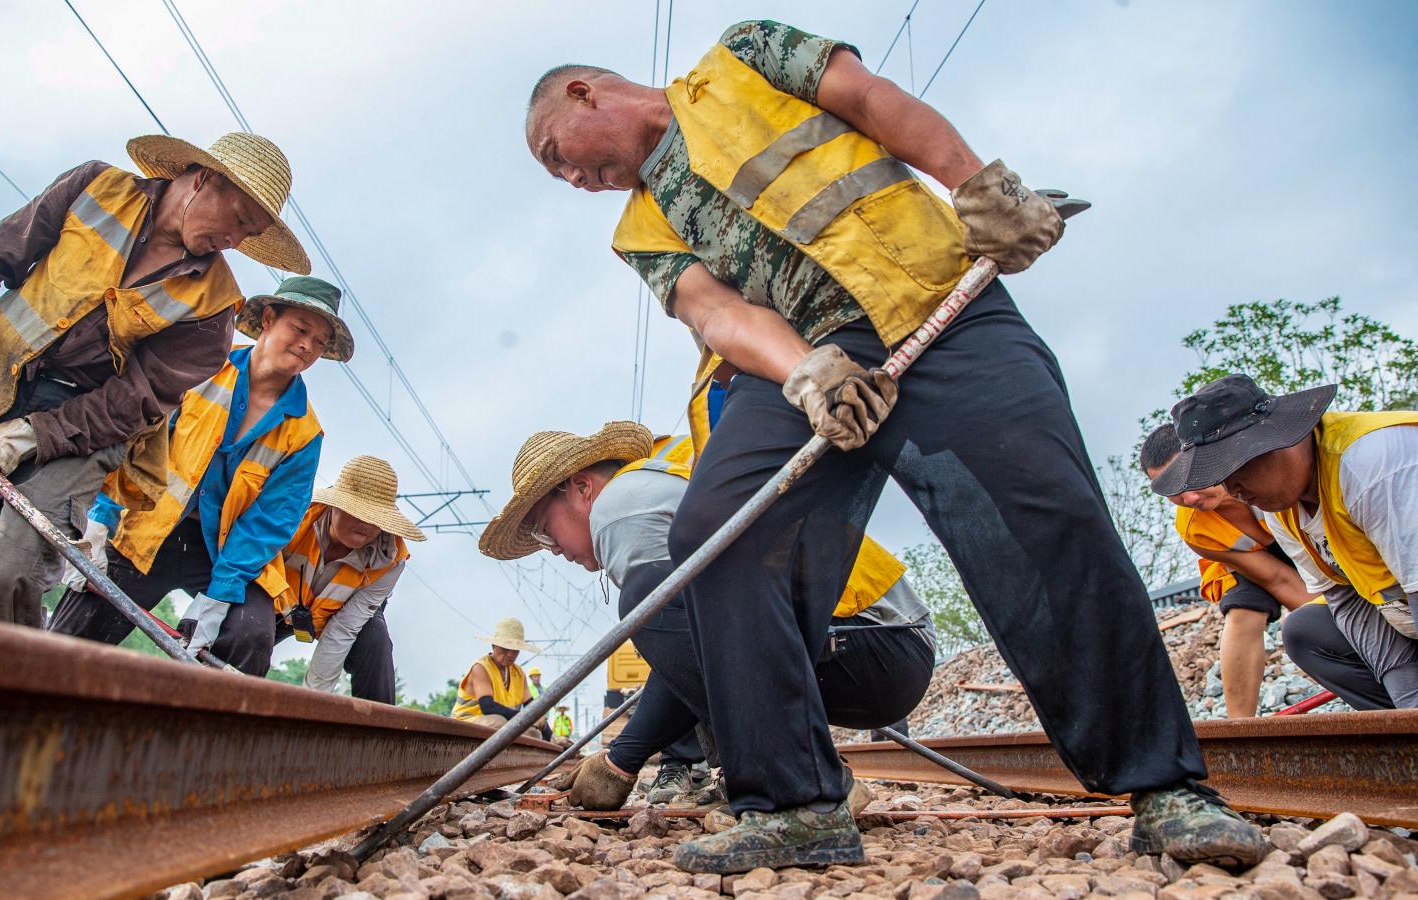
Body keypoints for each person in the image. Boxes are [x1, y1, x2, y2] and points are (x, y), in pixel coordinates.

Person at [523, 20, 1262, 873]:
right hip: (807, 362)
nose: (573, 179)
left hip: (938, 301)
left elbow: (874, 103)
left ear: (585, 92)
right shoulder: (638, 229)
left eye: (558, 155)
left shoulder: (744, 56)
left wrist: (977, 188)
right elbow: (714, 311)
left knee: (1045, 518)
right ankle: (796, 804)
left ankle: (1164, 787)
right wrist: (805, 373)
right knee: (715, 541)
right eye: (561, 174)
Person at [0, 132, 309, 629]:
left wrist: (32, 435)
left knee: (11, 575)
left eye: (249, 234)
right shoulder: (95, 188)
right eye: (239, 220)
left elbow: (136, 401)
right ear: (204, 180)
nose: (236, 241)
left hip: (81, 431)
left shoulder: (214, 308)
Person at [479, 423, 935, 820]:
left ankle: (803, 788)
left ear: (581, 488)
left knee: (644, 597)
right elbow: (702, 644)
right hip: (882, 641)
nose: (551, 547)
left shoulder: (619, 509)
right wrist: (622, 757)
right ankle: (775, 776)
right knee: (666, 606)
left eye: (543, 529)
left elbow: (694, 644)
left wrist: (621, 760)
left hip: (874, 645)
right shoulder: (653, 482)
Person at [48, 276, 351, 674]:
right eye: (300, 329)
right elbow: (136, 441)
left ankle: (202, 729)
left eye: (319, 341)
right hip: (149, 526)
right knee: (73, 632)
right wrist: (101, 520)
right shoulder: (203, 370)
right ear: (269, 319)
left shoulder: (305, 432)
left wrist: (220, 595)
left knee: (249, 635)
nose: (307, 346)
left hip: (222, 552)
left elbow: (270, 521)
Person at [1153, 374, 1418, 709]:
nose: (1231, 489)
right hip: (1402, 613)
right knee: (1305, 630)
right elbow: (1345, 599)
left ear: (1276, 441)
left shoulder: (1371, 466)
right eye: (1218, 478)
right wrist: (1408, 707)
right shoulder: (1281, 509)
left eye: (1234, 471)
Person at [1138, 424, 1314, 716]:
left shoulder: (1271, 474)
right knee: (1244, 609)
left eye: (1189, 478)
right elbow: (1277, 578)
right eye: (1173, 492)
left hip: (1304, 539)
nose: (1190, 499)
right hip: (1254, 558)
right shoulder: (1195, 529)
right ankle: (1240, 727)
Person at [269, 455, 426, 699]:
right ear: (334, 505)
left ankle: (376, 731)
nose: (365, 523)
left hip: (339, 615)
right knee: (248, 628)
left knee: (375, 639)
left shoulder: (390, 558)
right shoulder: (295, 518)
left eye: (375, 517)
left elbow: (344, 628)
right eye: (355, 511)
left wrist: (313, 701)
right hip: (277, 601)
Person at [453, 617, 551, 738]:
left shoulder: (518, 673)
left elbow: (532, 706)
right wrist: (525, 717)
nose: (510, 654)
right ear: (494, 645)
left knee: (534, 733)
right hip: (467, 723)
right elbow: (487, 706)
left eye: (515, 650)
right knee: (498, 722)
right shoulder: (481, 668)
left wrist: (550, 735)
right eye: (505, 648)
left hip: (505, 724)